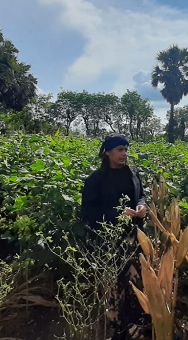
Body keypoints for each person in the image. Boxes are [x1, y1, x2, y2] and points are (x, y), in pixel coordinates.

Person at [80, 133, 149, 339]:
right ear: (107, 152)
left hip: (135, 236)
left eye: (126, 149)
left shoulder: (133, 174)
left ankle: (138, 322)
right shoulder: (96, 180)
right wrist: (117, 213)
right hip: (110, 240)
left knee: (136, 280)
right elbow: (88, 212)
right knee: (114, 283)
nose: (124, 154)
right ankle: (118, 324)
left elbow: (142, 195)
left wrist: (142, 206)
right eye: (120, 150)